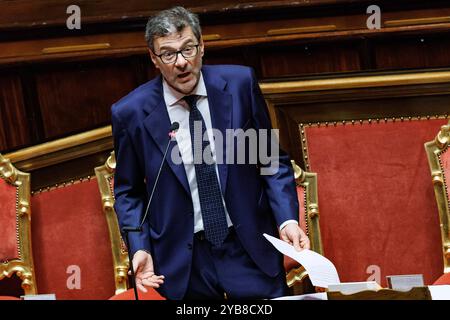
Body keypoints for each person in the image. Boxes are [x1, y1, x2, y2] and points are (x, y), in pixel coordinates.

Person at [111, 6, 310, 300]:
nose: (181, 63)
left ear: (202, 47)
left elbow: (269, 160)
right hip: (184, 261)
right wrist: (139, 245)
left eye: (188, 48)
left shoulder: (239, 85)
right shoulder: (131, 113)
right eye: (168, 54)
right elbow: (128, 192)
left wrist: (287, 220)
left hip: (247, 247)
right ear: (154, 59)